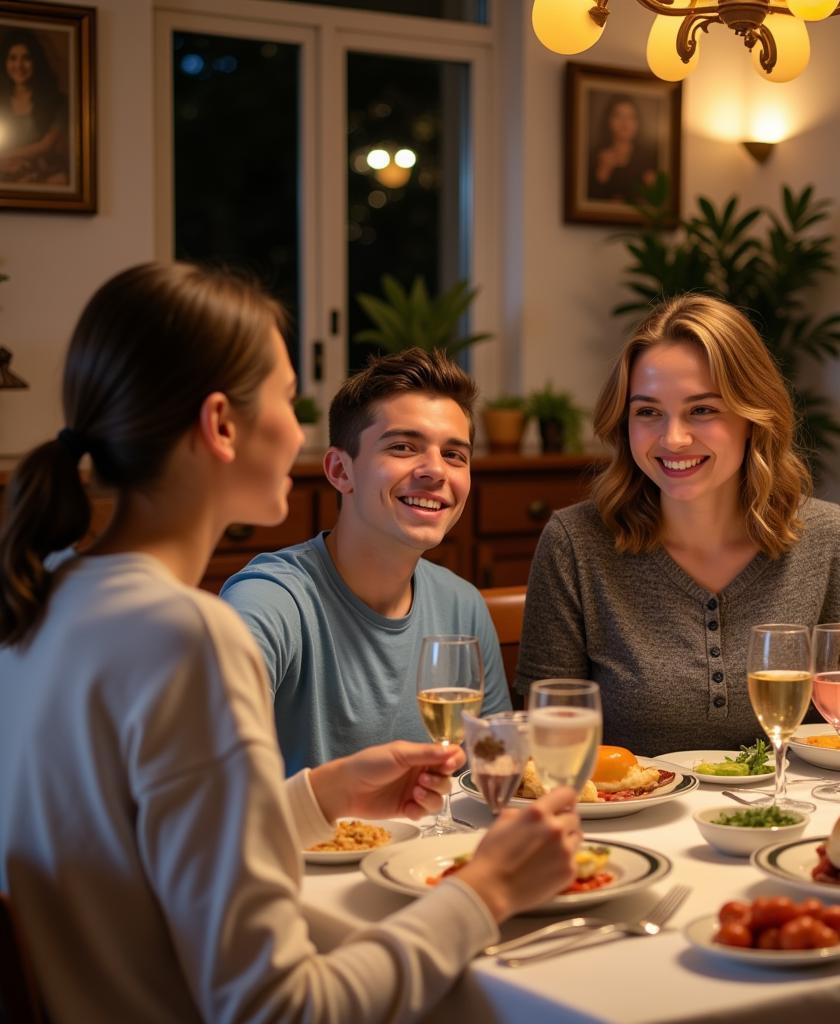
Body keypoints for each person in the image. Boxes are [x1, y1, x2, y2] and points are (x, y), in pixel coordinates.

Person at [0, 262, 580, 1023]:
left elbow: (149, 857)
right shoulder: (189, 636)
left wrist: (317, 797)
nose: (298, 427)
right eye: (285, 397)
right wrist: (487, 892)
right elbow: (279, 1011)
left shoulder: (51, 592)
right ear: (221, 425)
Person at [516, 293, 840, 756]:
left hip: (795, 823)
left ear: (753, 417)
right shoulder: (575, 544)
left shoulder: (832, 540)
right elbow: (545, 751)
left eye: (703, 410)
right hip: (627, 823)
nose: (673, 439)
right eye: (648, 412)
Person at [221, 348, 510, 774]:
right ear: (340, 471)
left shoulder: (462, 604)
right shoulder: (269, 600)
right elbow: (208, 781)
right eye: (403, 447)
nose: (436, 471)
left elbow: (494, 766)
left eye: (455, 455)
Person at [0, 28, 68, 185]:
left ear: (36, 62)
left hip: (44, 170)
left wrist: (5, 154)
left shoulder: (58, 101)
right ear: (4, 63)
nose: (19, 65)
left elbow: (45, 145)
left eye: (26, 58)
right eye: (12, 58)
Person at [586, 93, 657, 203]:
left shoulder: (649, 158)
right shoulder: (595, 156)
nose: (625, 123)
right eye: (618, 116)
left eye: (630, 117)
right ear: (608, 121)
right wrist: (602, 173)